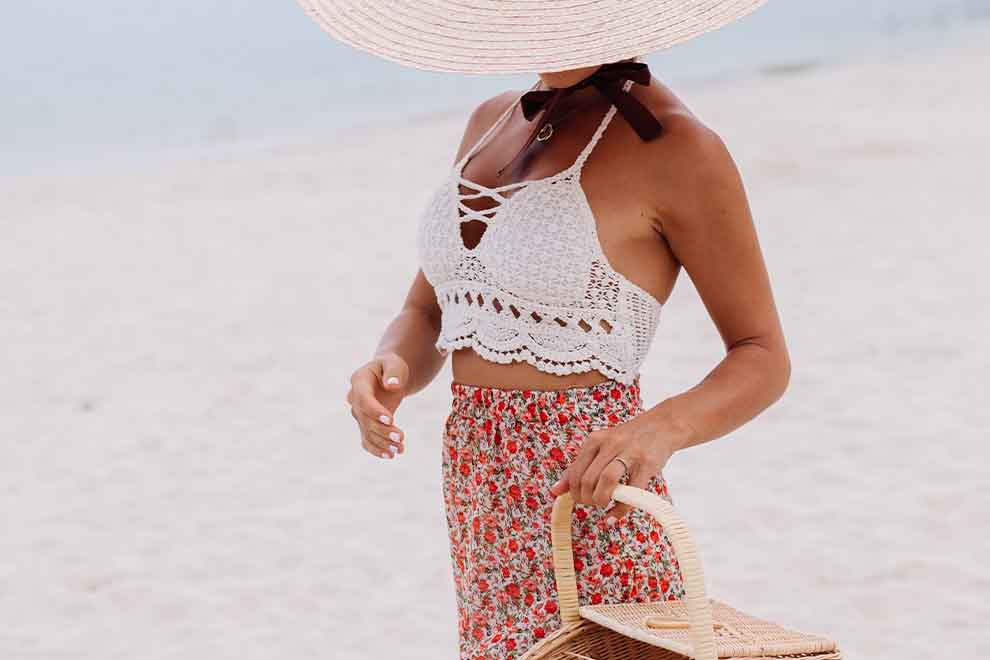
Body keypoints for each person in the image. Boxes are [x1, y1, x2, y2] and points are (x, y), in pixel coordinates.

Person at [300, 1, 786, 657]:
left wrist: (661, 428)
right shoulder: (491, 119)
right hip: (481, 512)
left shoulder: (677, 148)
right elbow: (431, 309)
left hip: (590, 511)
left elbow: (761, 355)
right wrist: (390, 366)